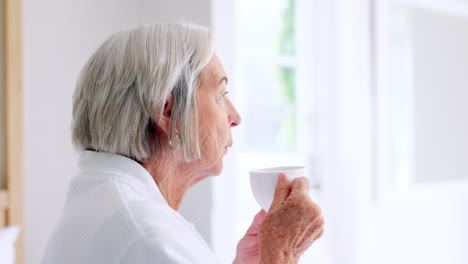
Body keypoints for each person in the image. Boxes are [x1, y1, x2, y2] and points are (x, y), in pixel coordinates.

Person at [42, 23, 324, 264]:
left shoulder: (104, 200)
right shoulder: (149, 236)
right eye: (221, 94)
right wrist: (281, 253)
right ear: (167, 110)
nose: (235, 116)